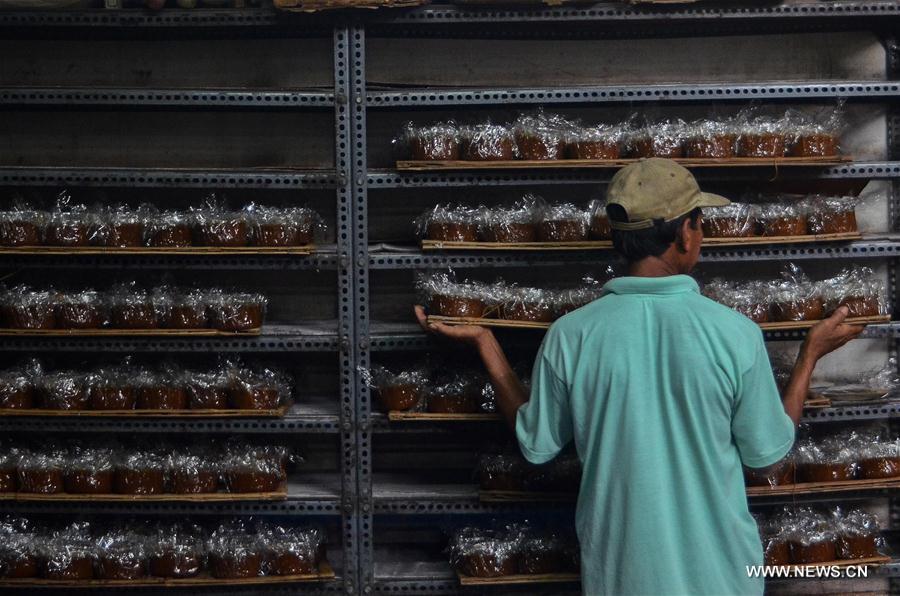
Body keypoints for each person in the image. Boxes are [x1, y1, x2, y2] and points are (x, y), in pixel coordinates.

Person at [414, 158, 865, 595]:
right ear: (683, 235)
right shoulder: (735, 335)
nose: (701, 233)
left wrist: (487, 345)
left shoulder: (572, 335)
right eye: (699, 221)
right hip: (723, 577)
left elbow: (536, 445)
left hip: (619, 579)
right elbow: (766, 455)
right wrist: (809, 356)